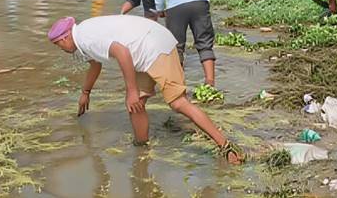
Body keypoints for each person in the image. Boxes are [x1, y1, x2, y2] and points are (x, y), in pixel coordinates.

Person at [47, 15, 244, 164]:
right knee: (136, 104)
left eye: (58, 45)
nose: (61, 49)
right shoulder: (82, 34)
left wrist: (131, 91)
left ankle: (226, 146)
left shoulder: (86, 38)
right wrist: (85, 93)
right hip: (144, 48)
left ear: (64, 38)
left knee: (178, 102)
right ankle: (142, 148)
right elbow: (95, 65)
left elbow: (121, 52)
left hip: (155, 47)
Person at [151, 0, 216, 87]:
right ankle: (210, 82)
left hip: (176, 5)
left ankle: (178, 85)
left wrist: (160, 10)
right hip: (201, 1)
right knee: (205, 43)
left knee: (176, 46)